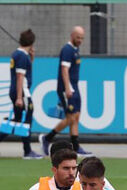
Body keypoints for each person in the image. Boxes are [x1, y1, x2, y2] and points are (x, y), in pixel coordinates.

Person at [0, 29, 43, 160]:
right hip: (22, 92)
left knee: (18, 120)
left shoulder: (17, 54)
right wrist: (19, 97)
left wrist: (32, 58)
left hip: (17, 91)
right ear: (32, 42)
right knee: (26, 120)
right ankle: (26, 151)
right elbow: (20, 76)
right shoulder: (22, 56)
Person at [40, 26, 91, 157]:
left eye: (82, 38)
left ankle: (75, 146)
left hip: (74, 85)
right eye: (78, 37)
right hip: (67, 87)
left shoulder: (75, 50)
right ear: (72, 36)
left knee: (76, 116)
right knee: (71, 117)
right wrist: (67, 87)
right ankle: (47, 138)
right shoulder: (67, 50)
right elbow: (64, 69)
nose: (80, 40)